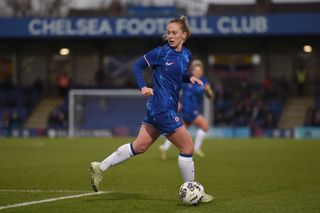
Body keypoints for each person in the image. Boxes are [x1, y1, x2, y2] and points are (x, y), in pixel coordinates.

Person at [89, 16, 213, 203]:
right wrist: (142, 86)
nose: (170, 36)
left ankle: (100, 167)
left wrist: (189, 78)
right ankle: (193, 193)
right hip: (162, 109)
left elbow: (178, 73)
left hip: (159, 109)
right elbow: (137, 66)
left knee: (139, 146)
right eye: (168, 32)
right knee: (187, 146)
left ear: (184, 35)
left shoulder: (186, 54)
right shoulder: (160, 52)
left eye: (174, 32)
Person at [159, 60, 213, 159]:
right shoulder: (188, 80)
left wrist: (208, 91)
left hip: (193, 108)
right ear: (192, 71)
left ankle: (164, 147)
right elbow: (175, 89)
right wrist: (177, 102)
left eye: (199, 70)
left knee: (180, 130)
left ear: (202, 71)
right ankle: (196, 148)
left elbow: (210, 96)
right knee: (205, 126)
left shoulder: (204, 81)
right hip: (188, 108)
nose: (198, 72)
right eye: (196, 70)